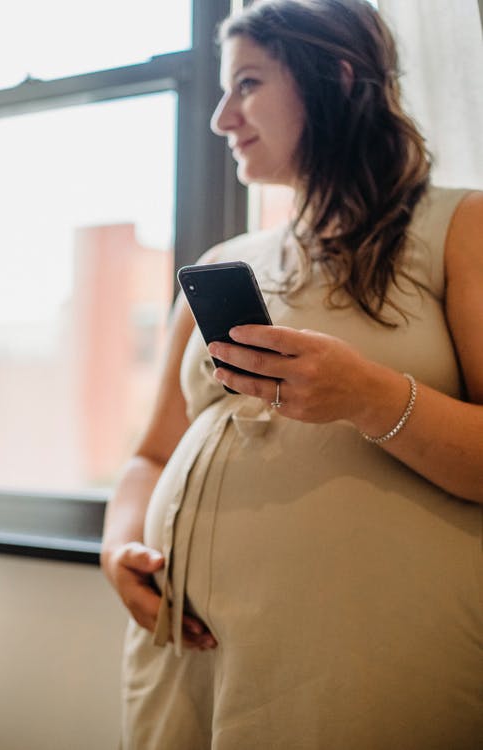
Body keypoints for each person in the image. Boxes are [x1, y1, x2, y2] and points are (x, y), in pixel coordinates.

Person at [101, 1, 483, 747]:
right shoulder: (221, 263)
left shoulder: (460, 226)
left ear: (335, 78)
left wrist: (370, 396)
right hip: (191, 653)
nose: (220, 118)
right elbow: (149, 455)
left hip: (369, 661)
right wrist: (120, 548)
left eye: (246, 83)